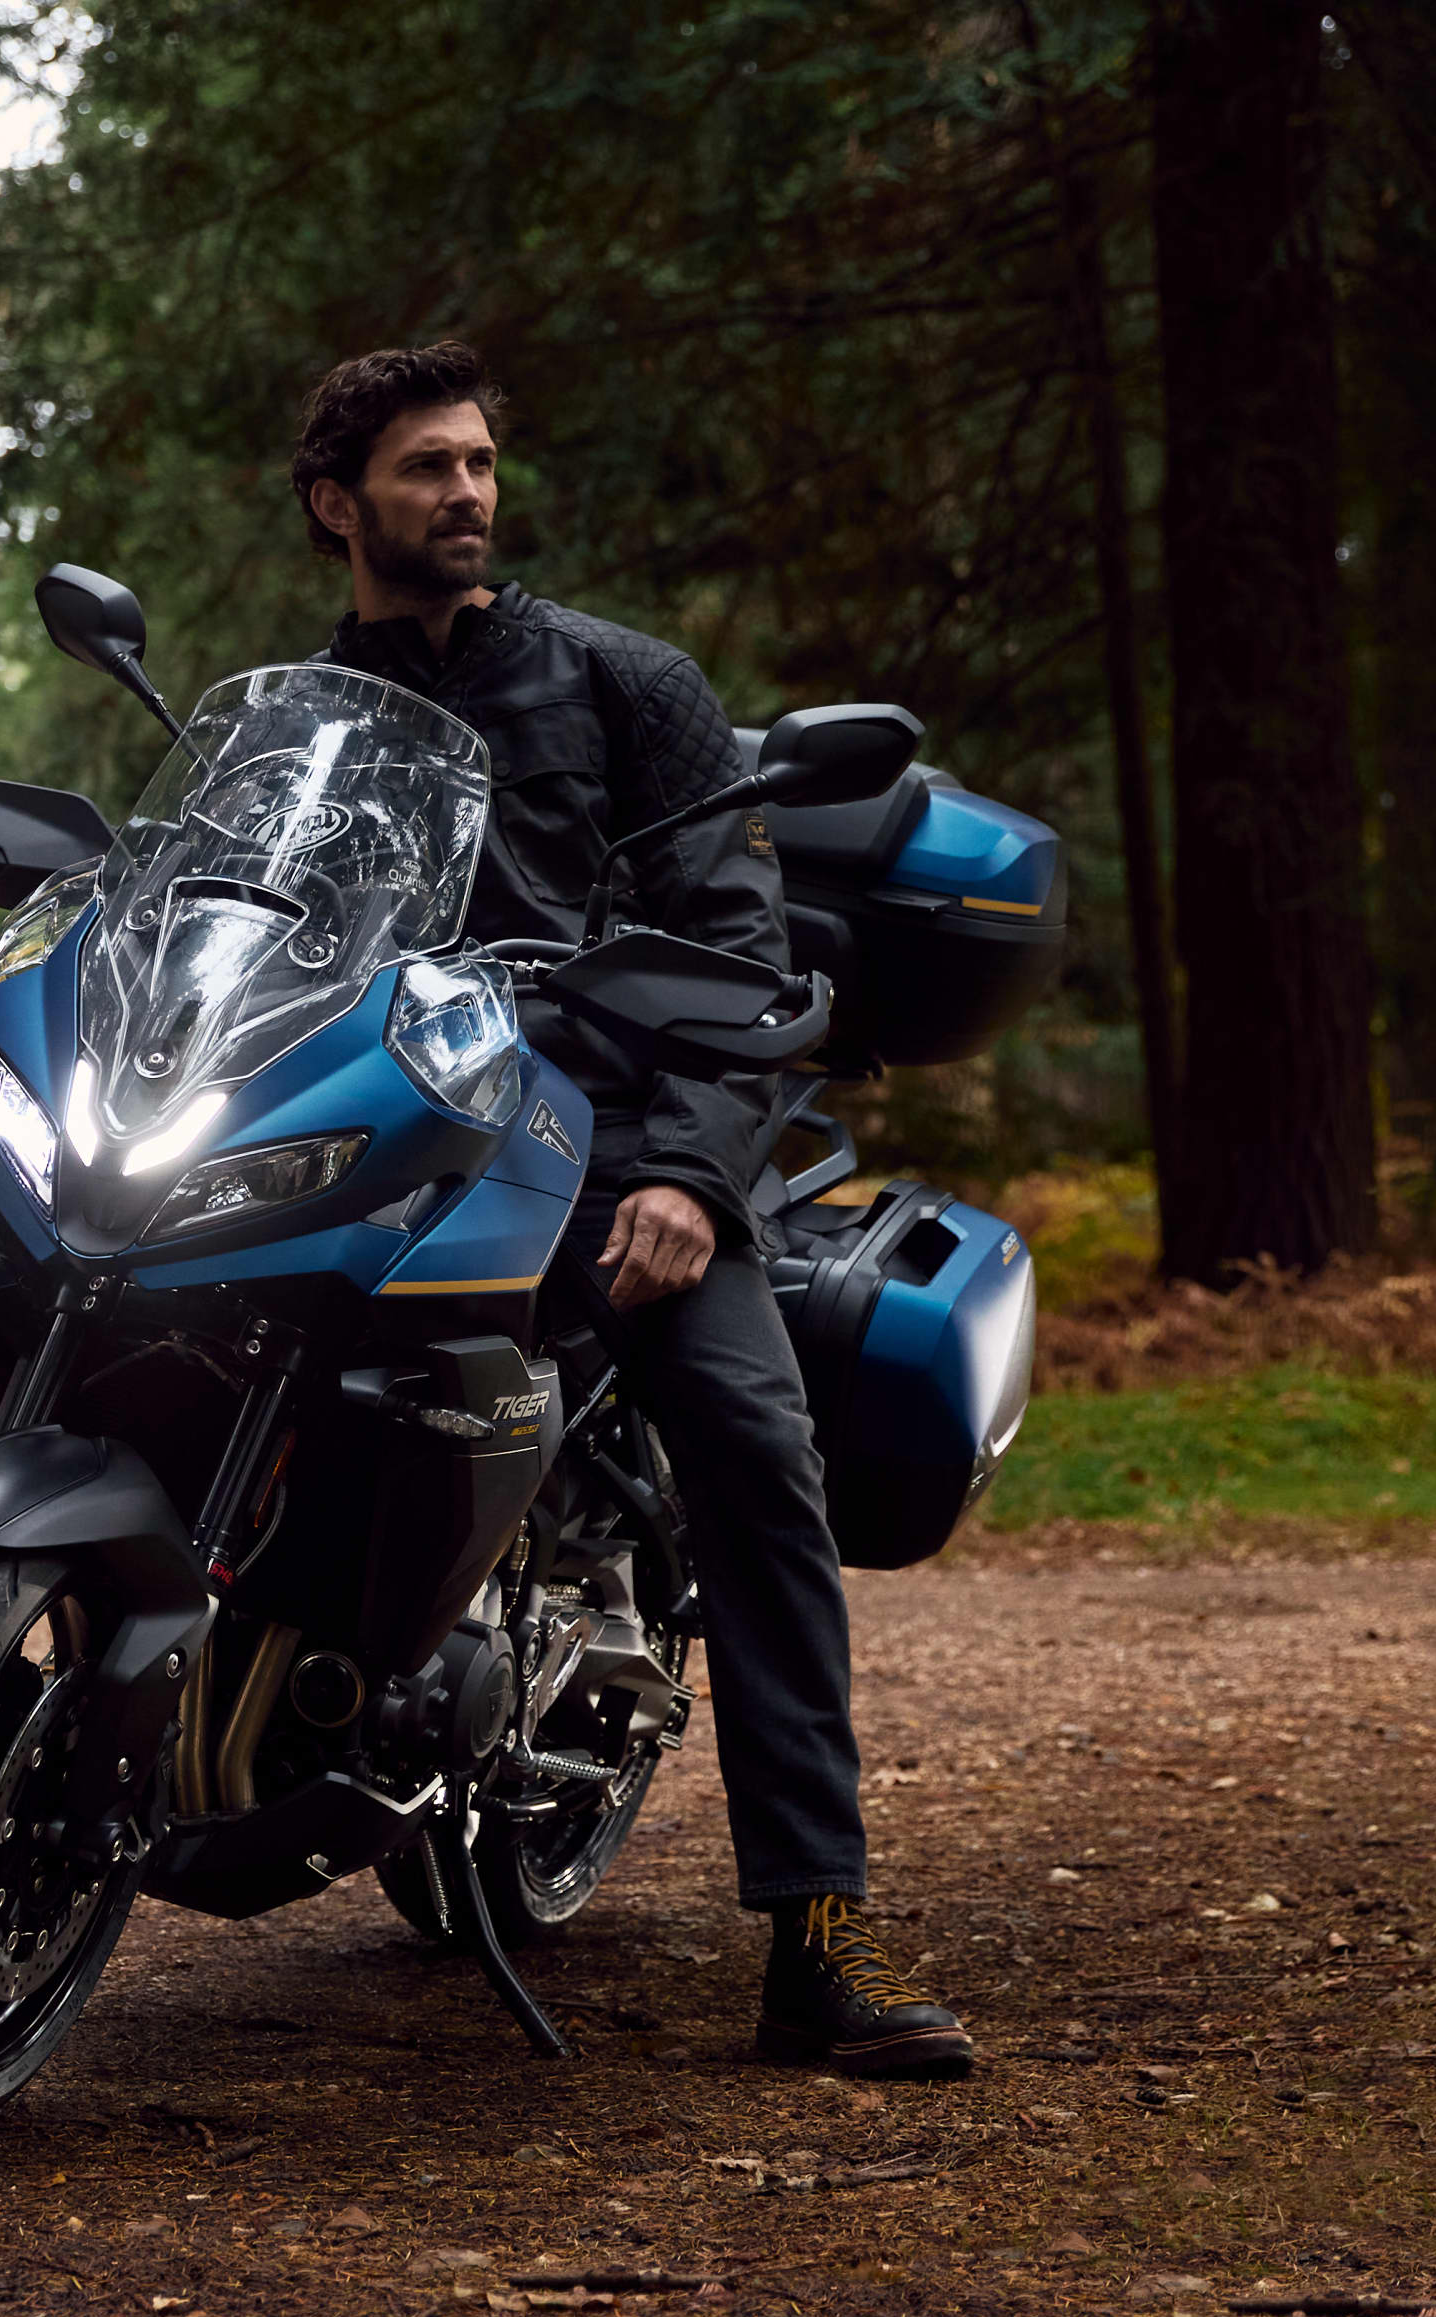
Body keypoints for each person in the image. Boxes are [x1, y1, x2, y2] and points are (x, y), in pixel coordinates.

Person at [294, 339, 971, 2079]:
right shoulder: (303, 720)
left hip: (617, 1144)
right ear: (336, 506)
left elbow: (745, 957)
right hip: (395, 1148)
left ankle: (820, 1932)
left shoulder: (622, 682)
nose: (464, 493)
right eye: (426, 468)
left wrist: (684, 1170)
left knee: (754, 1458)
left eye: (479, 465)